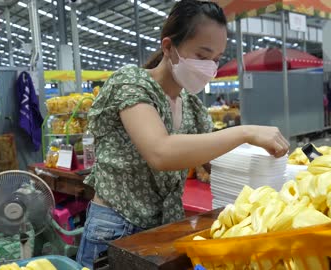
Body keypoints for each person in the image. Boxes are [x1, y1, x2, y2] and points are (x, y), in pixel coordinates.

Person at [76, 1, 289, 268]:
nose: (210, 67)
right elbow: (160, 152)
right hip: (116, 229)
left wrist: (281, 170)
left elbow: (212, 158)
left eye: (216, 59)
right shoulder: (131, 84)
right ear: (168, 48)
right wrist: (245, 132)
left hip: (164, 230)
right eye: (202, 56)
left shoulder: (192, 106)